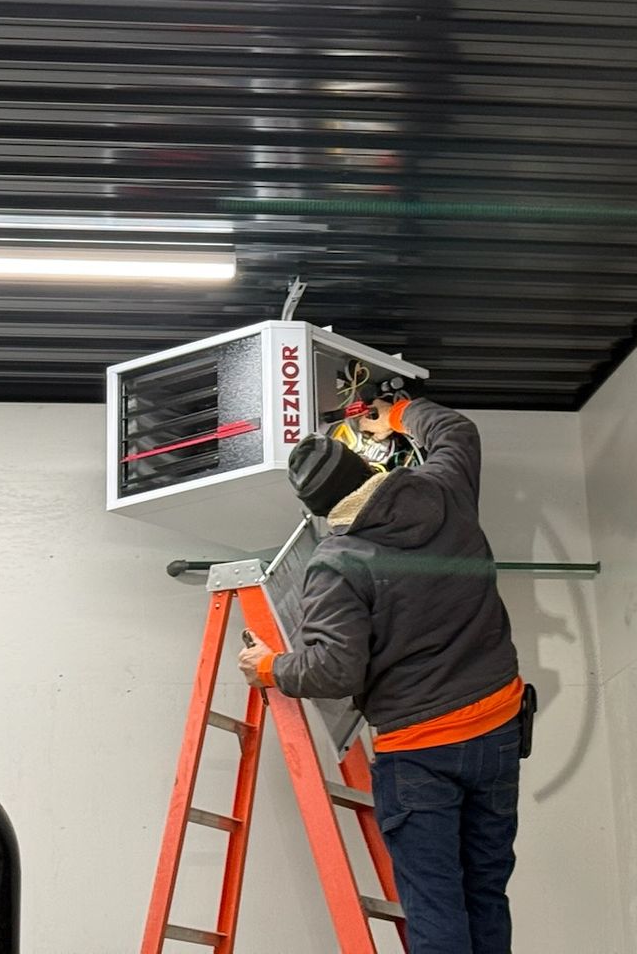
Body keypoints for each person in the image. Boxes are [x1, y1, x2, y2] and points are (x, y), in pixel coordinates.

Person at [238, 394, 523, 954]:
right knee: (486, 890)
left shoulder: (338, 562)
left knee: (436, 902)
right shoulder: (445, 489)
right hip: (498, 726)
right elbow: (456, 431)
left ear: (318, 511)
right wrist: (395, 413)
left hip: (421, 750)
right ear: (369, 465)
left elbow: (334, 669)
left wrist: (269, 666)